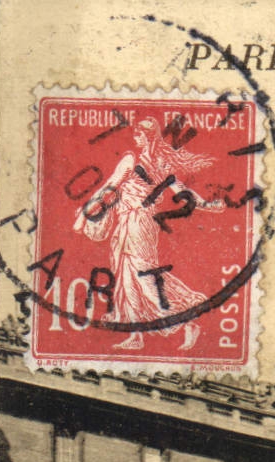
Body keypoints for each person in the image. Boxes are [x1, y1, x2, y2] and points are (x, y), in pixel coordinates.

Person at [73, 118, 221, 351]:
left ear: (148, 137)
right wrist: (207, 205)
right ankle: (136, 335)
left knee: (144, 277)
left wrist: (84, 215)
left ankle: (187, 318)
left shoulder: (137, 161)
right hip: (128, 223)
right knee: (126, 279)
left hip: (138, 224)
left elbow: (109, 188)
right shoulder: (158, 163)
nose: (135, 138)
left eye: (139, 135)